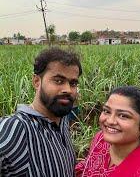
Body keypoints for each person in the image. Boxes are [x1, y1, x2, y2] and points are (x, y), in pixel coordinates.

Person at [0, 47, 82, 176]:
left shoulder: (61, 119)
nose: (68, 89)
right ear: (37, 81)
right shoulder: (16, 128)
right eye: (58, 81)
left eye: (73, 83)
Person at [75, 86, 140, 176]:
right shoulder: (100, 139)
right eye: (106, 111)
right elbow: (87, 166)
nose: (110, 121)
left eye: (123, 116)